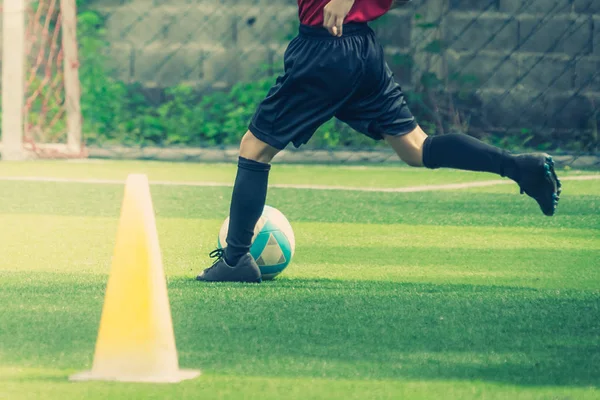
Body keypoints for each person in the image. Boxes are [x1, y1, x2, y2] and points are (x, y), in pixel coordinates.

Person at [196, 0, 562, 283]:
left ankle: (236, 260)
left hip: (327, 50)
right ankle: (521, 168)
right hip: (361, 49)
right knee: (415, 148)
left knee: (254, 148)